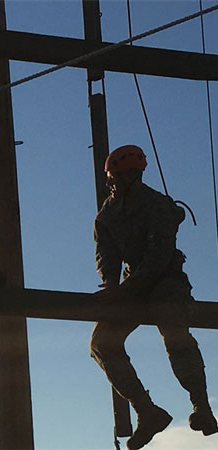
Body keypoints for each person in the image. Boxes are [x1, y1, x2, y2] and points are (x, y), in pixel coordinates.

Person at [91, 144, 217, 450]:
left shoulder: (158, 205)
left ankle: (202, 407)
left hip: (165, 281)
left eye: (117, 177)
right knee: (102, 344)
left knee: (173, 327)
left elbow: (159, 256)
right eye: (112, 179)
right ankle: (147, 412)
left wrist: (125, 288)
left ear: (133, 176)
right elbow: (106, 254)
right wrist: (109, 282)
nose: (113, 184)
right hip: (132, 286)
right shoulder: (108, 215)